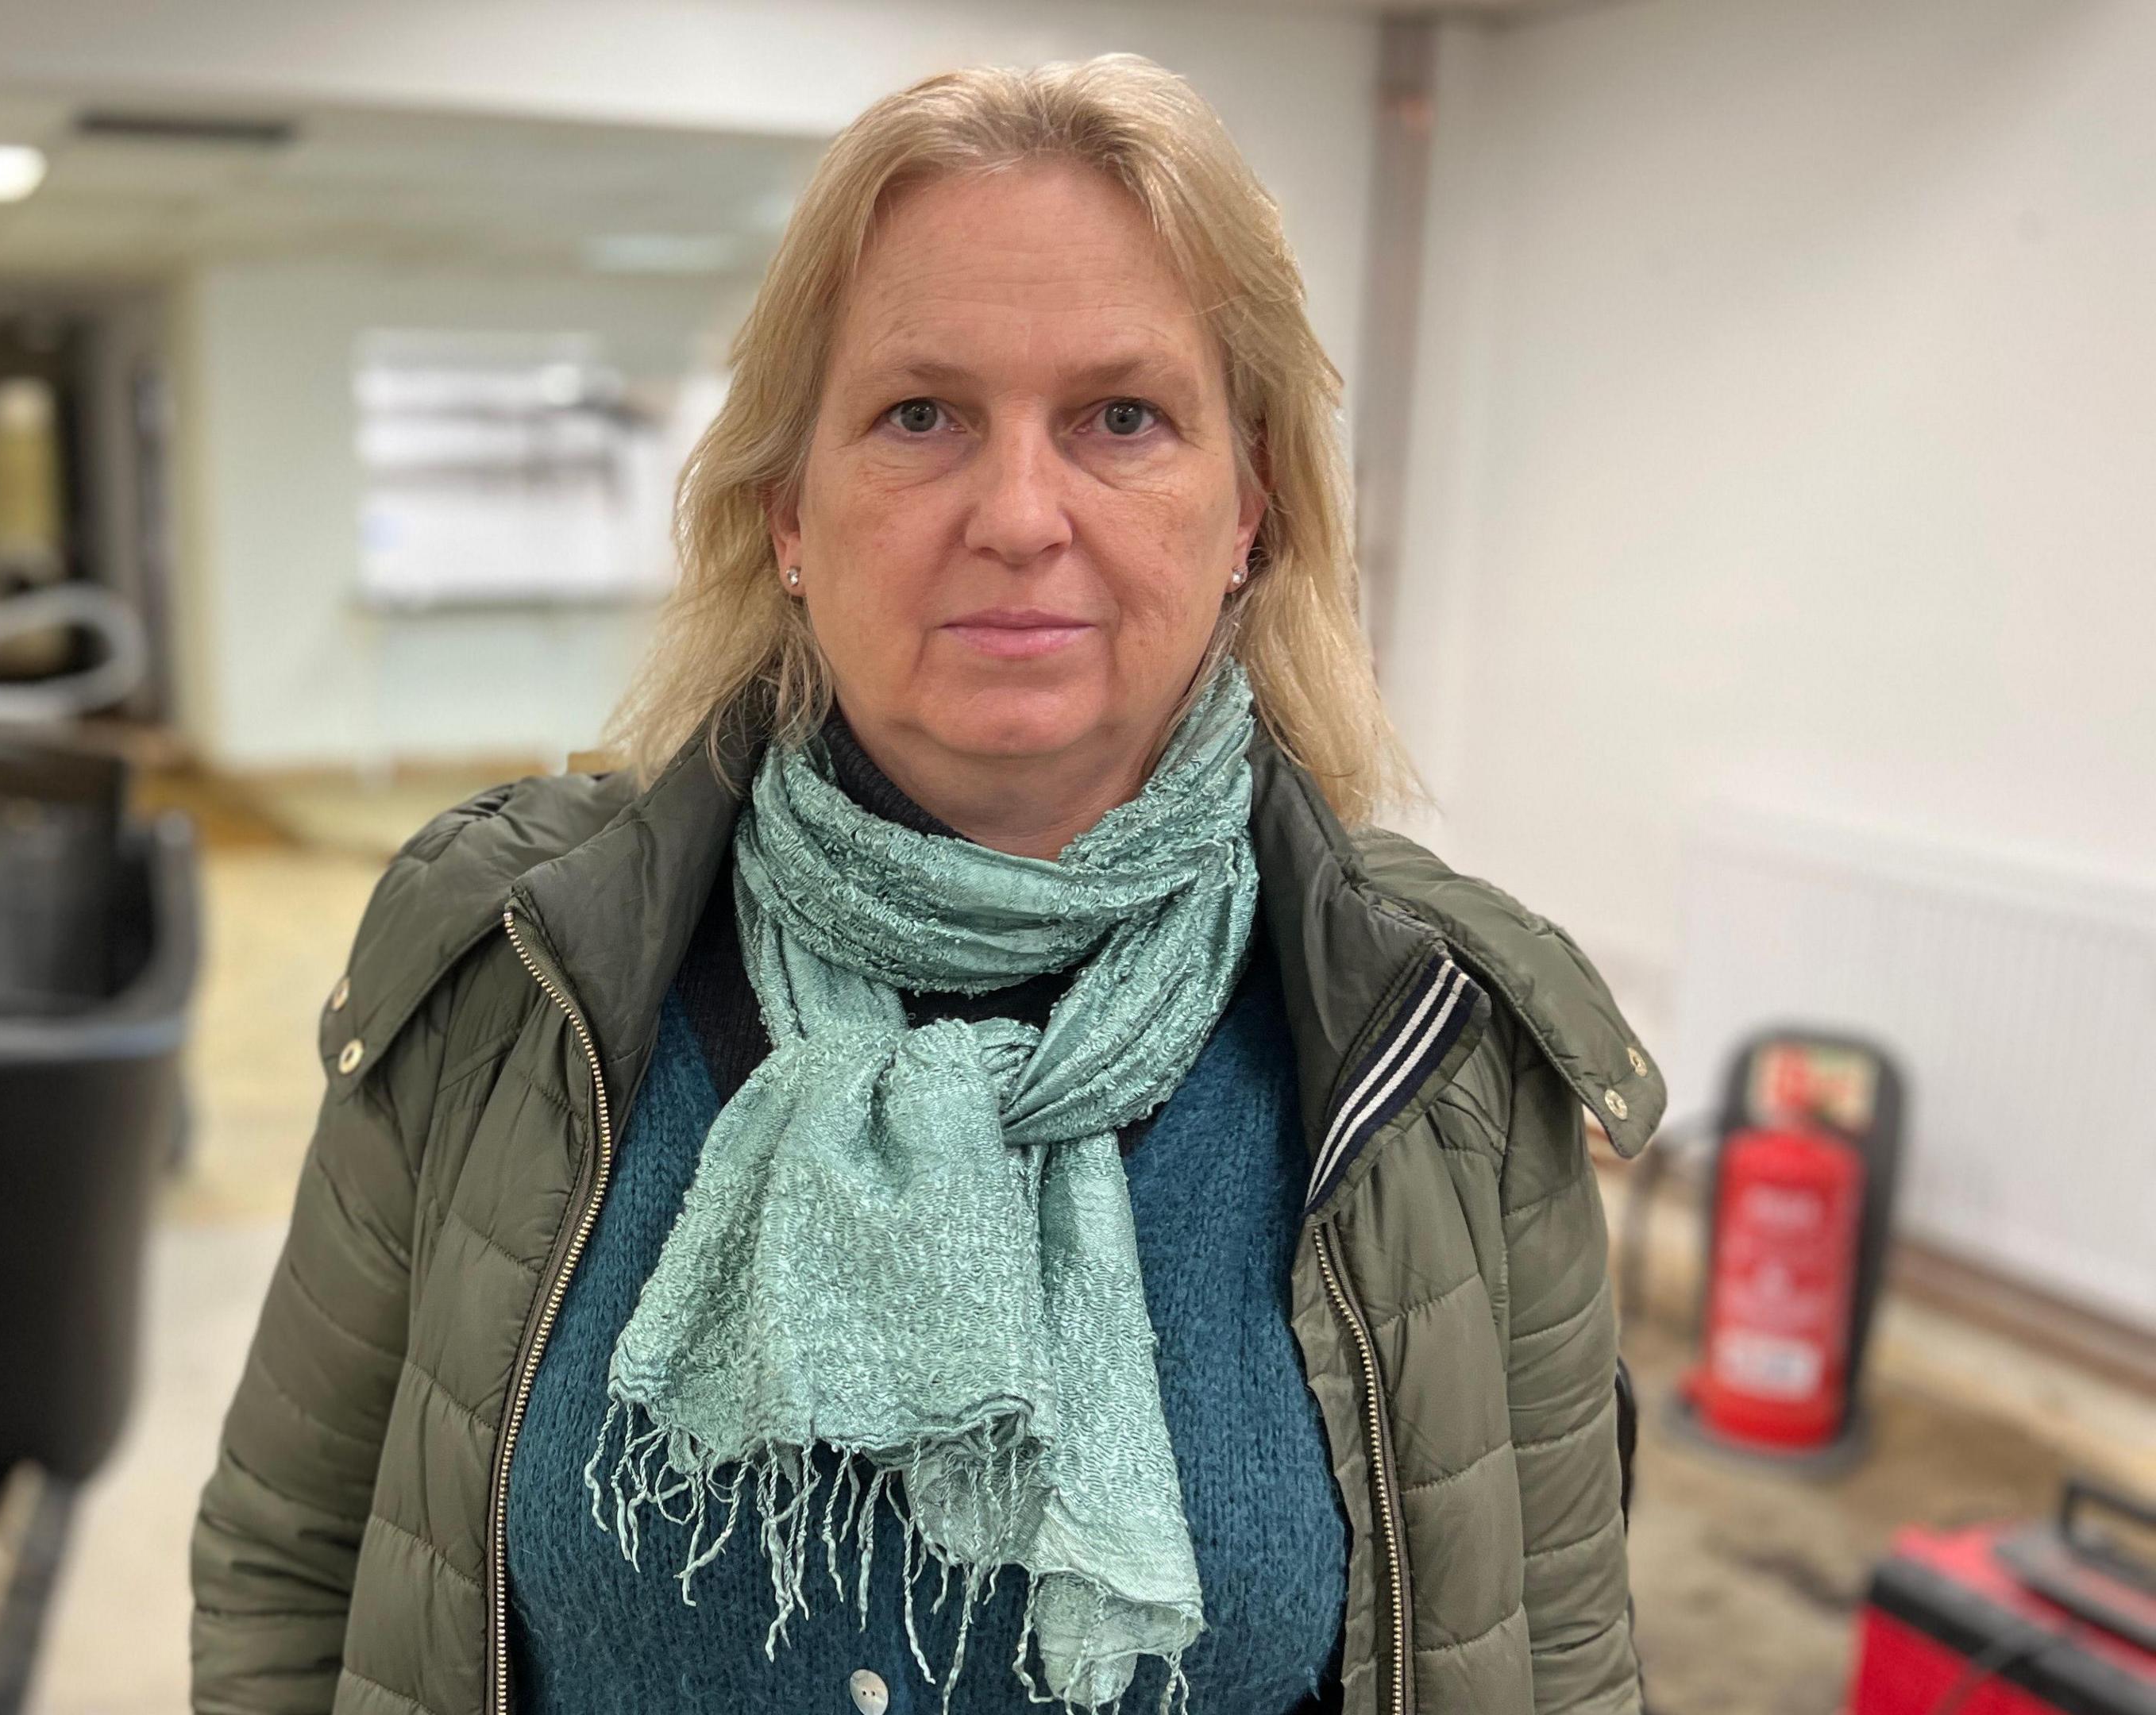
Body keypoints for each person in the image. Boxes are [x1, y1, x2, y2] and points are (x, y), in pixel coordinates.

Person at [193, 54, 1659, 1715]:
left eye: (1121, 418)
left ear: (1246, 507)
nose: (1020, 514)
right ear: (790, 513)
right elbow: (289, 1569)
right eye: (920, 416)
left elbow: (1558, 1667)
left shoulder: (1445, 1057)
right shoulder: (505, 978)